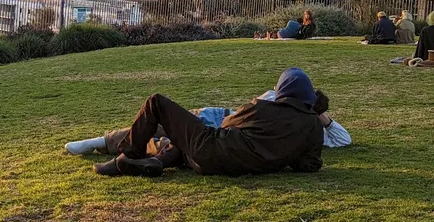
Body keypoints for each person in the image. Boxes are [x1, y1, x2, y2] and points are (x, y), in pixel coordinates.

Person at [90, 68, 324, 177]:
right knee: (187, 142)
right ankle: (157, 162)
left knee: (157, 103)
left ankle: (129, 156)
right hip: (227, 167)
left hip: (212, 154)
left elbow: (225, 124)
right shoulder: (313, 127)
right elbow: (309, 165)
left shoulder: (264, 108)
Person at [65, 89, 350, 159]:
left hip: (220, 130)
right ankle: (104, 142)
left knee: (166, 132)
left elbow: (344, 138)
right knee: (159, 124)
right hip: (219, 116)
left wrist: (319, 117)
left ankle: (106, 145)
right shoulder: (280, 100)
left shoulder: (308, 129)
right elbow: (248, 108)